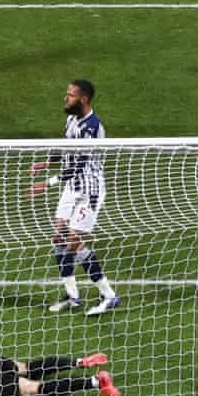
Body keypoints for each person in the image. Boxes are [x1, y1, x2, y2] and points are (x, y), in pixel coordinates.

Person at [28, 80, 121, 317]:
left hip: (89, 191)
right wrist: (47, 162)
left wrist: (47, 183)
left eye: (70, 95)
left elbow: (79, 164)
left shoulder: (92, 127)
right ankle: (73, 297)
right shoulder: (71, 119)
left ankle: (109, 296)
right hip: (72, 188)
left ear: (84, 99)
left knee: (73, 242)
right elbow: (65, 146)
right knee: (58, 238)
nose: (65, 98)